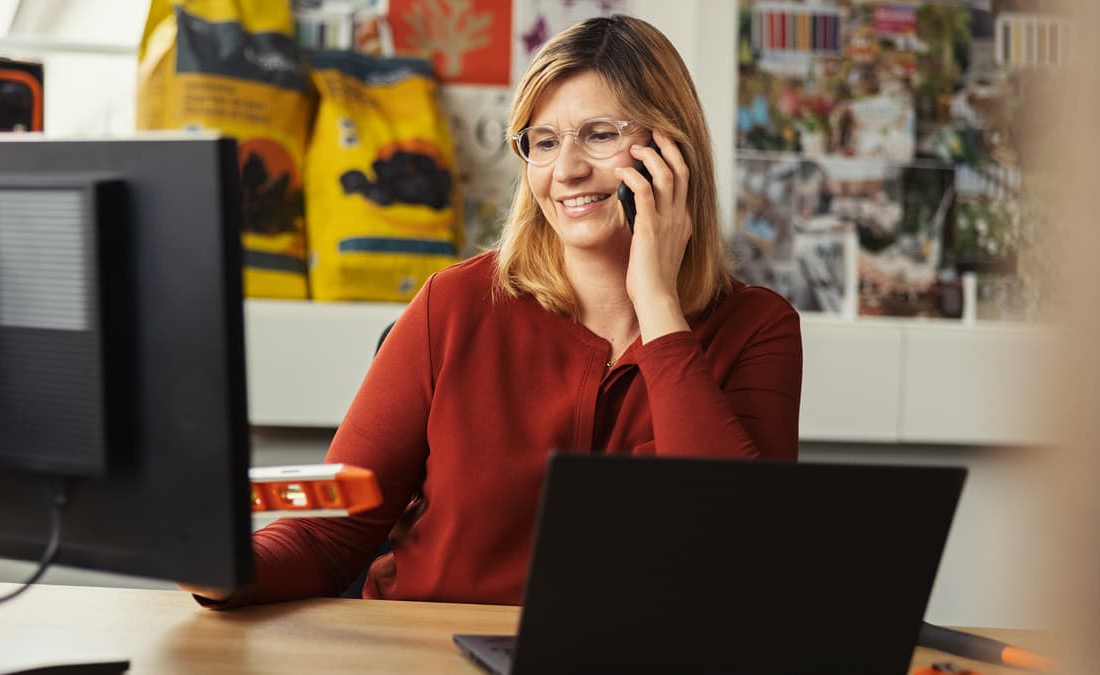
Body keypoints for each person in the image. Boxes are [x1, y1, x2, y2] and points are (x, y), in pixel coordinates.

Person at [183, 14, 802, 608]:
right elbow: (328, 534)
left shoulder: (757, 329)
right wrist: (221, 571)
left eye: (601, 134)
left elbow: (742, 558)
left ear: (672, 151)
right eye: (545, 141)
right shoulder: (453, 306)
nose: (567, 170)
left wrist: (660, 305)